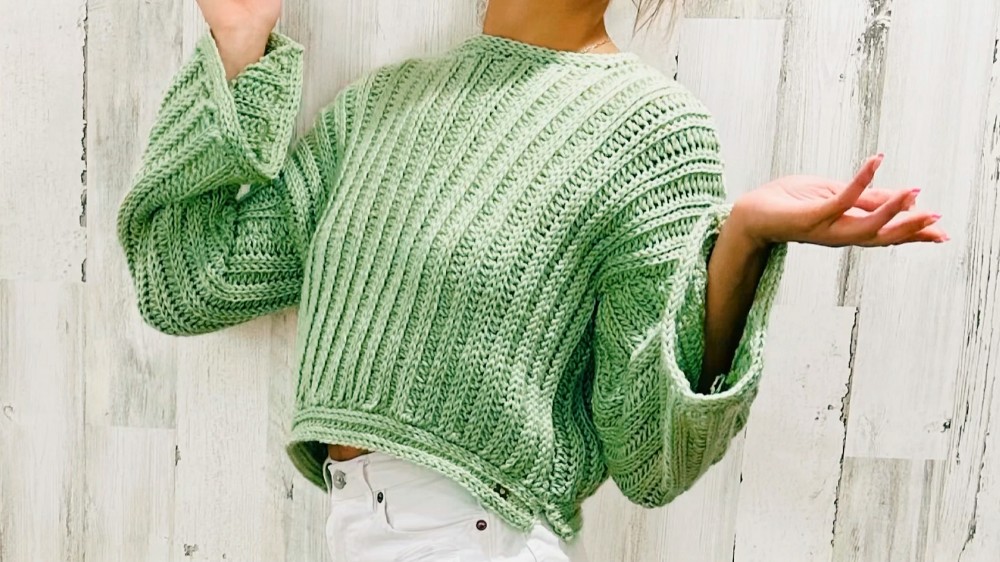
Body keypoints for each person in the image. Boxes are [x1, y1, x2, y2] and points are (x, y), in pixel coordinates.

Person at [114, 0, 949, 559]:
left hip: (480, 536)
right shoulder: (380, 108)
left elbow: (650, 458)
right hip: (358, 528)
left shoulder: (653, 134)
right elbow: (187, 281)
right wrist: (240, 42)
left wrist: (740, 243)